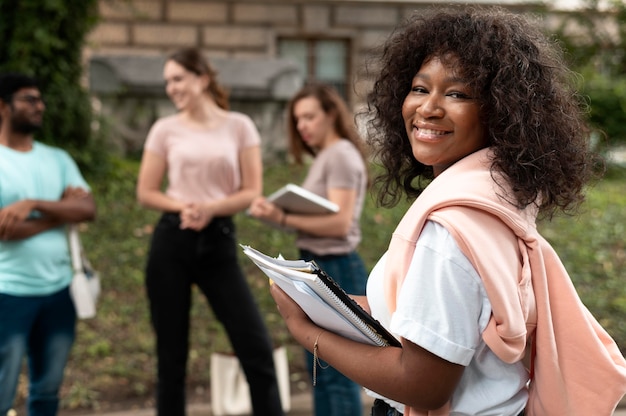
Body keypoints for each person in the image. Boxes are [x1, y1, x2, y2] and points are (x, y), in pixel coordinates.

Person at [267, 6, 626, 416]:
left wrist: (307, 331)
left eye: (457, 94)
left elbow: (422, 385)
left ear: (501, 111)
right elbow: (443, 318)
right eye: (420, 89)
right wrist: (333, 303)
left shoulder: (450, 228)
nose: (428, 108)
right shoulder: (498, 199)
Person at [136, 47, 284, 416]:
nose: (171, 88)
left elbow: (251, 189)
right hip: (172, 240)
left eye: (178, 78)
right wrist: (184, 207)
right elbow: (146, 191)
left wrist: (210, 209)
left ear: (201, 79)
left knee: (256, 347)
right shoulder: (164, 129)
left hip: (218, 241)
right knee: (171, 357)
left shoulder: (239, 125)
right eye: (167, 81)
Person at [248, 83, 369, 416]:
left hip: (337, 267)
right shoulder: (327, 156)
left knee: (338, 372)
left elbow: (341, 224)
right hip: (318, 265)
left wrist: (282, 216)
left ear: (331, 114)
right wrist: (279, 217)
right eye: (297, 119)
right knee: (321, 371)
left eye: (309, 116)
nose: (302, 126)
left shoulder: (341, 154)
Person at [0, 73, 97, 415]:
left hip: (59, 292)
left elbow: (87, 208)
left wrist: (31, 205)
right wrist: (59, 211)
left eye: (40, 99)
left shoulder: (57, 159)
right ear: (3, 106)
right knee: (2, 390)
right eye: (29, 99)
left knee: (47, 390)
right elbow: (3, 230)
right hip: (7, 293)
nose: (39, 105)